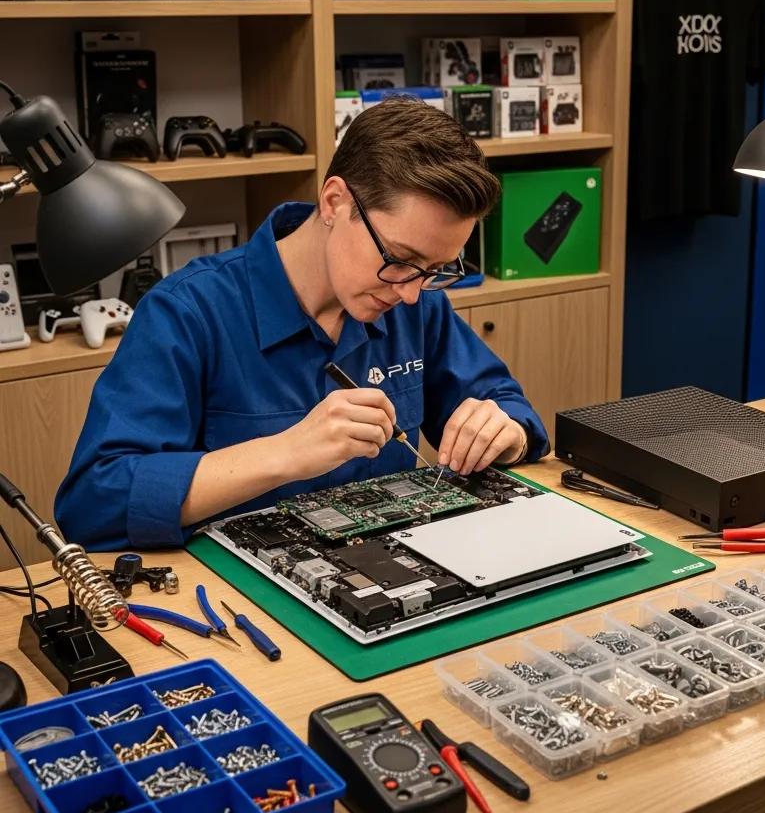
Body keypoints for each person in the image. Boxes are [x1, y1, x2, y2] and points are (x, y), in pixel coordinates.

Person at [55, 97, 548, 550]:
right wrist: (284, 454)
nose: (412, 292)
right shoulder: (188, 313)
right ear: (335, 202)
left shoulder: (413, 298)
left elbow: (510, 410)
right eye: (399, 258)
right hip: (240, 610)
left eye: (436, 270)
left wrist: (505, 432)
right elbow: (93, 506)